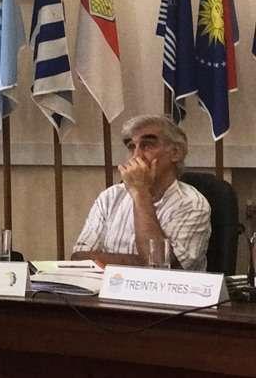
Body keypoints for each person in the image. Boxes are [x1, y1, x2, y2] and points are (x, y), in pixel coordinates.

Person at [71, 115, 211, 270]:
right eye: (132, 147)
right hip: (106, 285)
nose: (136, 156)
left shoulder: (193, 205)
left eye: (147, 145)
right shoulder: (110, 197)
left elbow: (162, 268)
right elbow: (79, 258)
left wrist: (141, 193)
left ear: (175, 153)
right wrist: (142, 262)